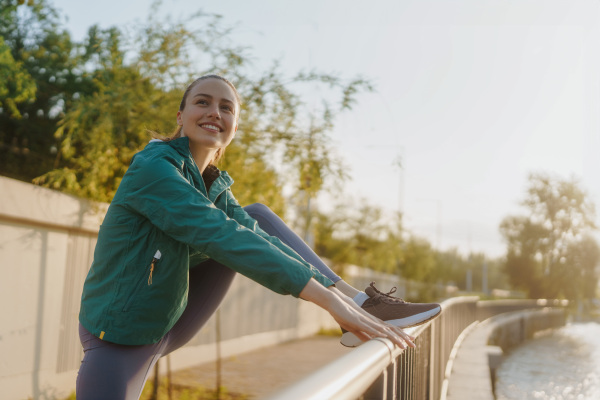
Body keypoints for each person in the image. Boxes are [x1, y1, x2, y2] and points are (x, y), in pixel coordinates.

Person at [76, 74, 441, 399]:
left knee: (256, 218)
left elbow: (257, 237)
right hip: (118, 338)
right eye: (202, 102)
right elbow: (222, 236)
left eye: (226, 107)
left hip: (165, 323)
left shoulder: (214, 185)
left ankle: (361, 302)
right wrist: (328, 303)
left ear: (234, 125)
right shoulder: (154, 168)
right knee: (236, 231)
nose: (214, 112)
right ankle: (351, 307)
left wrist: (338, 298)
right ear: (180, 116)